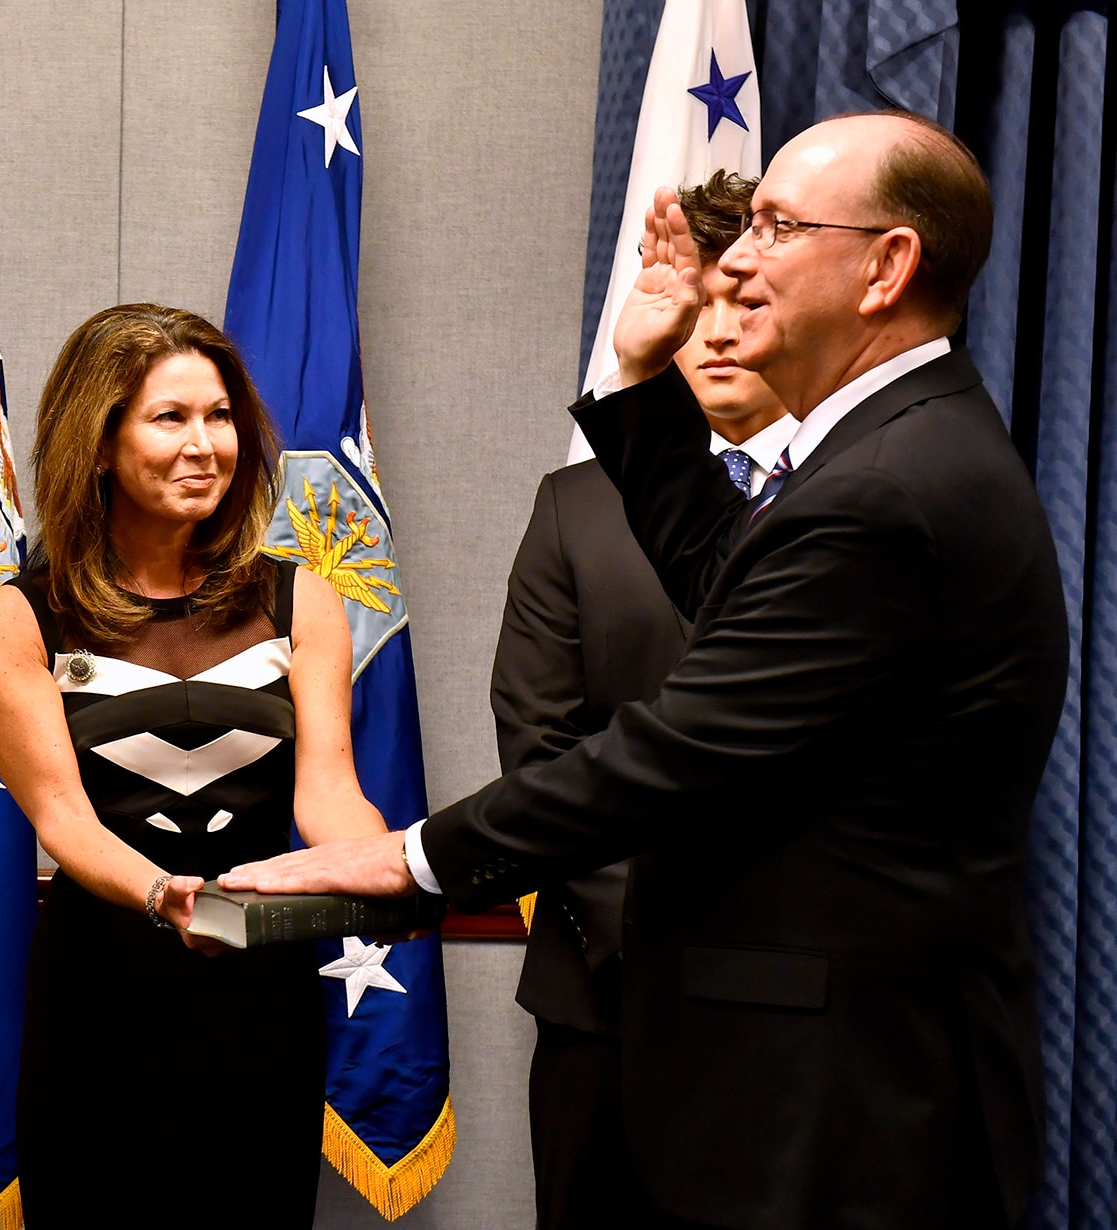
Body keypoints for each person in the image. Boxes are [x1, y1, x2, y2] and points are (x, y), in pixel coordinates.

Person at [222, 112, 1068, 1229]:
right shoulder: (898, 445)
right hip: (810, 1075)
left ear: (886, 266)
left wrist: (412, 858)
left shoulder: (889, 488)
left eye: (775, 226)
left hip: (829, 1104)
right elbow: (728, 585)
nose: (736, 261)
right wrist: (636, 385)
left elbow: (676, 749)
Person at [0, 304, 390, 1227]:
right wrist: (166, 897)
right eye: (171, 418)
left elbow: (327, 793)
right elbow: (62, 818)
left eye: (222, 416)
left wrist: (393, 869)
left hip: (259, 998)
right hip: (98, 997)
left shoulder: (298, 600)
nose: (206, 444)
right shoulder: (18, 615)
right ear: (100, 440)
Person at [497, 170, 793, 1230]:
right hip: (602, 999)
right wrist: (654, 936)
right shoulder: (575, 507)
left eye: (742, 304)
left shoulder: (852, 499)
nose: (713, 335)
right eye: (693, 305)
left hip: (796, 1001)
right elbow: (538, 749)